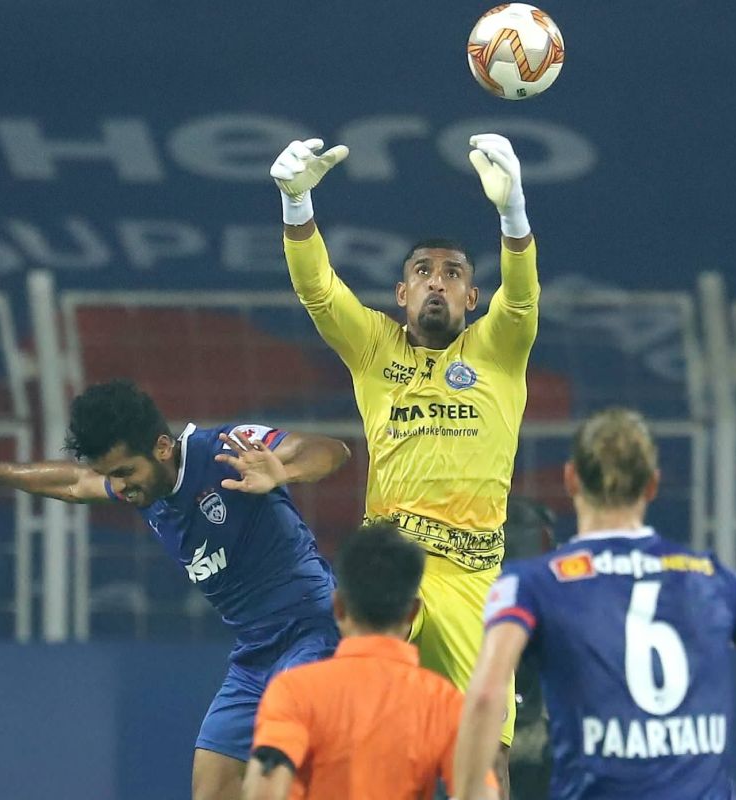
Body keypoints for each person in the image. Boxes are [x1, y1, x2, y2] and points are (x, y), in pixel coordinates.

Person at [0, 379, 352, 800]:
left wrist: (282, 471)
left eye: (124, 472)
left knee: (285, 768)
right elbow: (72, 483)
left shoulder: (226, 449)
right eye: (110, 475)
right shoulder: (143, 488)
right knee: (213, 785)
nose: (120, 486)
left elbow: (330, 450)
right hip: (256, 653)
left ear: (162, 447)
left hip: (313, 631)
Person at [270, 132, 540, 794]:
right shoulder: (374, 351)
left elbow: (524, 295)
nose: (438, 283)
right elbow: (319, 292)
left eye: (453, 273)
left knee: (484, 758)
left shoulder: (499, 350)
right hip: (394, 572)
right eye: (424, 272)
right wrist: (296, 207)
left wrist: (514, 216)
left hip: (473, 579)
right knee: (377, 745)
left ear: (473, 298)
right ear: (401, 293)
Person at [453, 408, 736, 800]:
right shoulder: (710, 579)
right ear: (652, 485)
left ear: (571, 480)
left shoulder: (534, 584)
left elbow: (487, 697)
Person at [242, 522, 498, 800]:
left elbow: (264, 788)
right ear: (412, 612)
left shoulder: (293, 691)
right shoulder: (445, 704)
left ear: (338, 606)